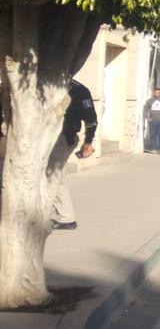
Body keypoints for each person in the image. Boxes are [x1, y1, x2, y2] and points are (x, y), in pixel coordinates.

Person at [51, 80, 98, 231]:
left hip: (63, 138)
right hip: (47, 137)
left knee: (53, 176)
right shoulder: (48, 81)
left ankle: (66, 218)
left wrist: (88, 141)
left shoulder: (78, 90)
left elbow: (91, 119)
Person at [142, 87, 160, 153]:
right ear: (154, 93)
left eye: (158, 93)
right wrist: (147, 118)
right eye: (156, 92)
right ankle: (153, 148)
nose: (157, 94)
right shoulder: (149, 101)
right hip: (152, 121)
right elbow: (145, 110)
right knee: (153, 135)